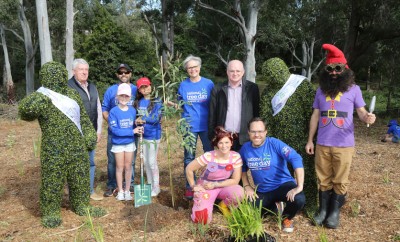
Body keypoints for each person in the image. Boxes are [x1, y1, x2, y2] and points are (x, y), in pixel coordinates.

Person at [19, 62, 106, 228]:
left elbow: (84, 120)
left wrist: (89, 135)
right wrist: (36, 102)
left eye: (58, 73)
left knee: (80, 177)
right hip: (53, 149)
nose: (56, 76)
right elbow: (24, 112)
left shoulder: (72, 95)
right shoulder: (41, 96)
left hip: (78, 148)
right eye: (52, 73)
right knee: (52, 181)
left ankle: (82, 205)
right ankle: (51, 211)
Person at [305, 44, 376, 229]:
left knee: (341, 179)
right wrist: (310, 140)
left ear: (345, 69)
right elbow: (315, 116)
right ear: (326, 71)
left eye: (338, 68)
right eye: (330, 68)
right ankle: (323, 211)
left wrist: (367, 116)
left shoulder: (354, 89)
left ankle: (334, 213)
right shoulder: (320, 90)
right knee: (323, 178)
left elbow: (361, 112)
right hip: (322, 143)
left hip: (344, 144)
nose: (334, 73)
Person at [241, 117, 306, 233]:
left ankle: (286, 218)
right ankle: (276, 207)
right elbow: (242, 168)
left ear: (266, 132)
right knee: (249, 210)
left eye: (260, 131)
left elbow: (296, 158)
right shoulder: (245, 149)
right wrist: (247, 186)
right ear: (248, 132)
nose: (257, 135)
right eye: (253, 131)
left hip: (283, 185)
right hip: (263, 190)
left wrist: (299, 186)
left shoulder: (274, 143)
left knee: (299, 199)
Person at [186, 126, 244, 224]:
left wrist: (216, 184)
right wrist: (193, 186)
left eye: (226, 142)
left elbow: (235, 180)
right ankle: (202, 202)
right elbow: (189, 168)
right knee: (201, 219)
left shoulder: (235, 157)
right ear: (217, 144)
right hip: (206, 187)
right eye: (220, 142)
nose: (224, 146)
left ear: (231, 143)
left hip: (222, 185)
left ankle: (223, 205)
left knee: (239, 193)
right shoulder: (209, 156)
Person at [177, 55, 214, 199]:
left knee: (210, 155)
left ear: (199, 67)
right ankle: (189, 187)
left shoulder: (208, 84)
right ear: (187, 70)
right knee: (189, 157)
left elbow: (214, 104)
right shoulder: (183, 85)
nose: (192, 69)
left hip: (206, 125)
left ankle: (210, 183)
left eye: (194, 67)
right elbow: (180, 105)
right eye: (189, 67)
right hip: (189, 126)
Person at [67, 58, 103, 201]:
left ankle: (89, 191)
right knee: (74, 164)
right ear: (73, 71)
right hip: (75, 134)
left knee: (90, 162)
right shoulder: (67, 87)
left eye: (86, 70)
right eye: (81, 69)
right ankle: (75, 195)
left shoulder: (92, 87)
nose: (84, 72)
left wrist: (98, 130)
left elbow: (98, 109)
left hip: (91, 133)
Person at [102, 64, 138, 197]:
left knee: (130, 161)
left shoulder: (136, 89)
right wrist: (111, 123)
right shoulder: (111, 90)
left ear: (130, 73)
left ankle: (129, 185)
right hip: (115, 132)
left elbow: (141, 106)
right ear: (117, 74)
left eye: (126, 72)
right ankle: (112, 185)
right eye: (120, 72)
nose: (123, 74)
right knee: (113, 161)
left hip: (131, 132)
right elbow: (104, 108)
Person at [208, 60, 260, 152]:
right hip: (224, 138)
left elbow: (256, 113)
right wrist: (213, 135)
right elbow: (212, 114)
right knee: (225, 166)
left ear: (243, 72)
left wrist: (256, 134)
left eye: (238, 71)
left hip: (245, 138)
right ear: (227, 72)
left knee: (243, 165)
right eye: (232, 71)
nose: (235, 73)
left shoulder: (252, 88)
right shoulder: (217, 89)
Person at [108, 83, 143, 201]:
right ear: (117, 97)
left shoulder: (133, 110)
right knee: (119, 167)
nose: (124, 98)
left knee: (128, 166)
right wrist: (132, 131)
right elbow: (115, 131)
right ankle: (120, 191)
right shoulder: (113, 111)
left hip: (129, 143)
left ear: (130, 97)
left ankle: (127, 190)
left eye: (126, 96)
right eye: (121, 96)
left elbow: (135, 124)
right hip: (118, 143)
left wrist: (139, 126)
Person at [134, 77, 163, 197]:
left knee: (151, 162)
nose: (145, 89)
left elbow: (156, 118)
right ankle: (150, 185)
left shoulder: (157, 101)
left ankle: (157, 187)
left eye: (147, 86)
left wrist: (143, 119)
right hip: (143, 135)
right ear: (139, 90)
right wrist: (136, 121)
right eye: (142, 87)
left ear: (151, 86)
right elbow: (135, 117)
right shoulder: (138, 103)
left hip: (153, 135)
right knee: (145, 162)